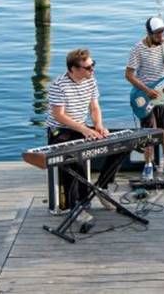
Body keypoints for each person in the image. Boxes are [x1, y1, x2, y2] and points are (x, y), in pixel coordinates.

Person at [46, 48, 123, 227]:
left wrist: (98, 125)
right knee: (76, 159)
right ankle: (76, 206)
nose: (92, 70)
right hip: (61, 131)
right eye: (88, 68)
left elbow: (94, 107)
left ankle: (102, 187)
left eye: (92, 65)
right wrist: (83, 129)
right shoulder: (59, 85)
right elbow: (59, 115)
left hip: (81, 127)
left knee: (119, 146)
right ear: (74, 69)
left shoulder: (91, 81)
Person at [125, 17, 164, 181]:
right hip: (146, 97)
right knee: (149, 132)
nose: (161, 36)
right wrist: (147, 90)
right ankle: (148, 164)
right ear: (149, 33)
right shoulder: (137, 49)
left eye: (162, 32)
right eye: (157, 33)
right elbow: (129, 75)